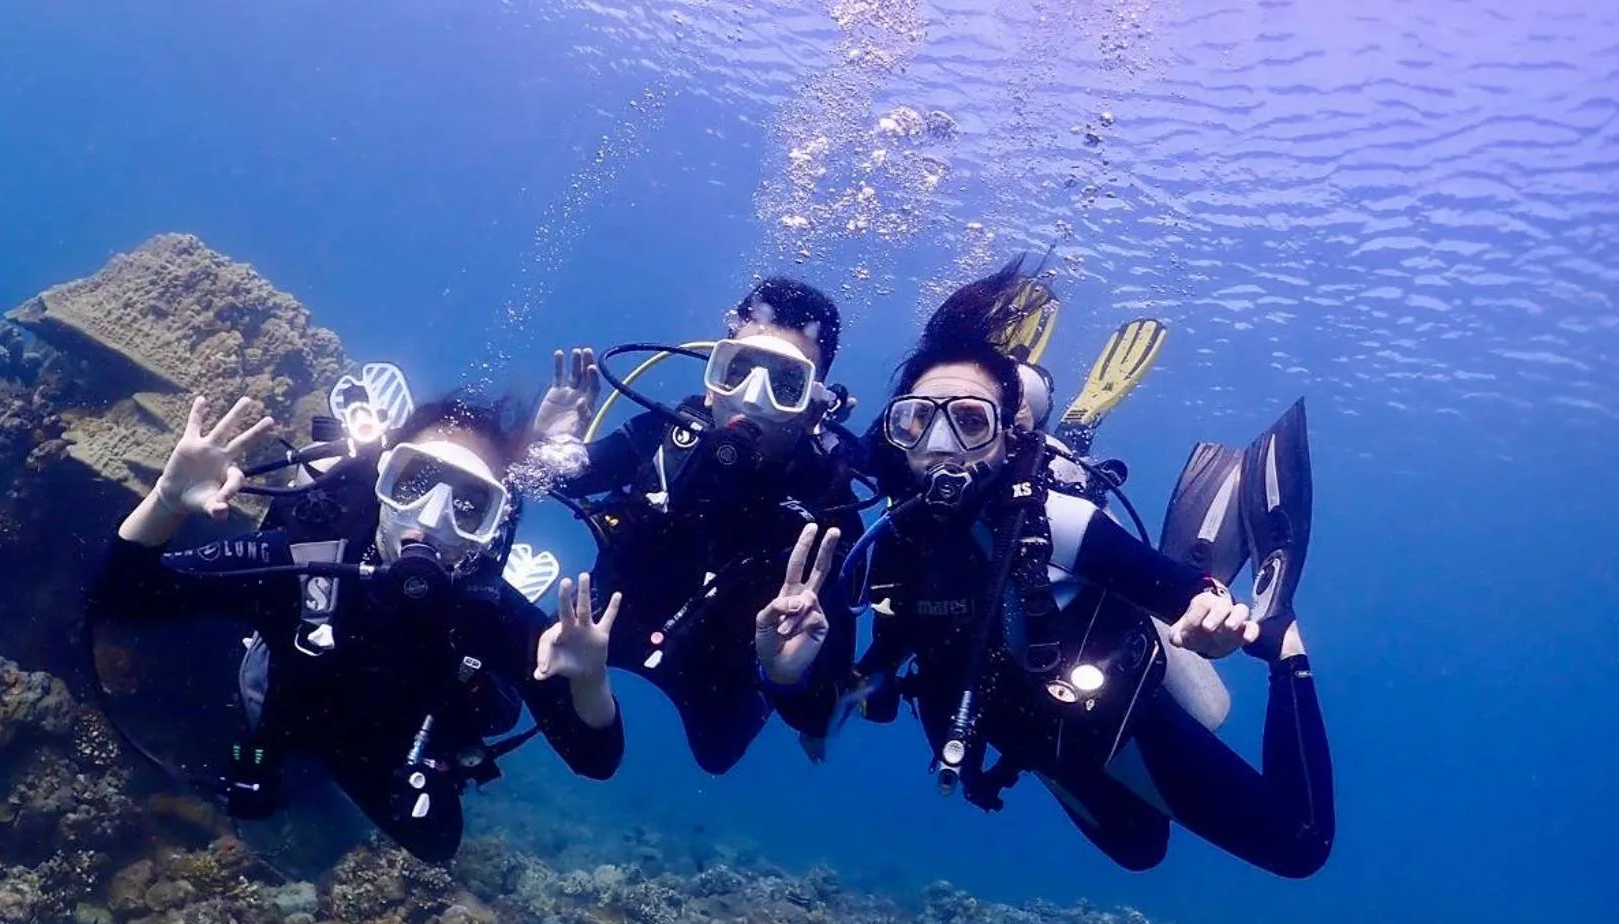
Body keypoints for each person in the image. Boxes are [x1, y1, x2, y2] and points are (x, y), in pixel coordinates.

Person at [833, 259, 1334, 878]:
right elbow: (883, 664)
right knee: (1141, 852)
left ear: (1007, 438)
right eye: (918, 419)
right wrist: (823, 684)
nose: (940, 444)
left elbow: (1190, 598)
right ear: (895, 433)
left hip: (1113, 719)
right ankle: (1059, 422)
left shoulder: (1059, 522)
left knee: (1301, 847)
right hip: (1039, 741)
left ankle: (1291, 645)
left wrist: (1220, 621)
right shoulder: (888, 542)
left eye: (969, 420)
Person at [87, 388, 625, 862]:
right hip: (282, 716)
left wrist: (589, 682)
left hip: (387, 756)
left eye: (468, 503)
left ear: (490, 527)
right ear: (380, 479)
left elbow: (595, 760)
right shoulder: (303, 560)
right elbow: (126, 598)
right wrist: (166, 502)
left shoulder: (493, 616)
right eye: (414, 482)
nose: (433, 519)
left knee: (438, 844)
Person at [530, 277, 857, 774]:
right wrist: (549, 446)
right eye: (738, 370)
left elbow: (818, 698)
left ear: (814, 406)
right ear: (711, 381)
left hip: (717, 668)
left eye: (785, 384)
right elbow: (560, 478)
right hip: (606, 626)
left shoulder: (828, 505)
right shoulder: (668, 437)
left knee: (717, 756)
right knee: (540, 681)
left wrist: (785, 678)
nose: (752, 398)